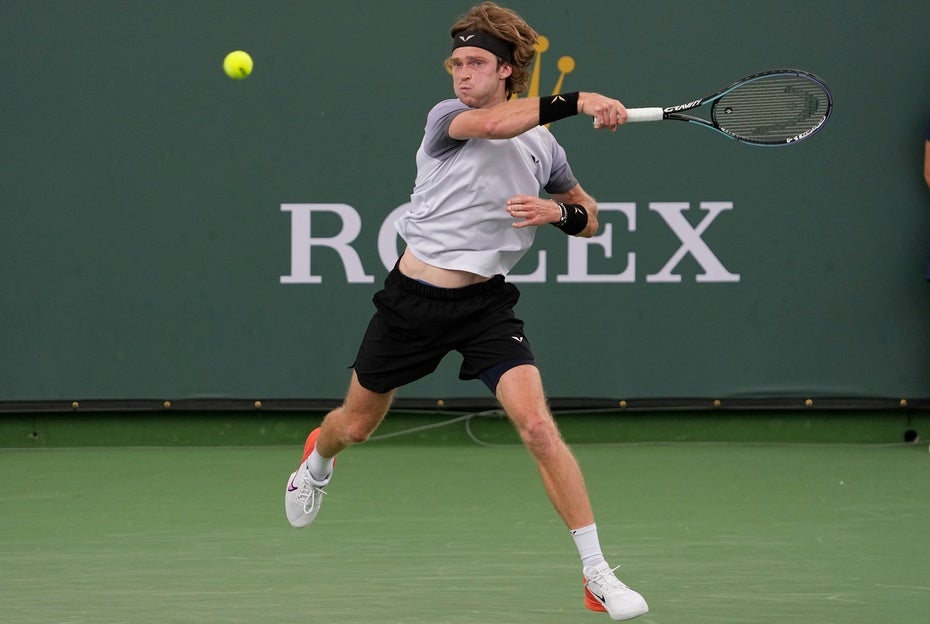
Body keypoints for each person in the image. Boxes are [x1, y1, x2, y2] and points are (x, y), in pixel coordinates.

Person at [285, 2, 648, 620]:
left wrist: (559, 213)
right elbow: (493, 128)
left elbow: (590, 220)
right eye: (456, 62)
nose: (462, 73)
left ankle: (597, 574)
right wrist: (583, 98)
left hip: (485, 305)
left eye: (476, 62)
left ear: (507, 69)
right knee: (358, 425)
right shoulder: (447, 118)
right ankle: (319, 456)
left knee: (537, 427)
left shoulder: (544, 145)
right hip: (411, 302)